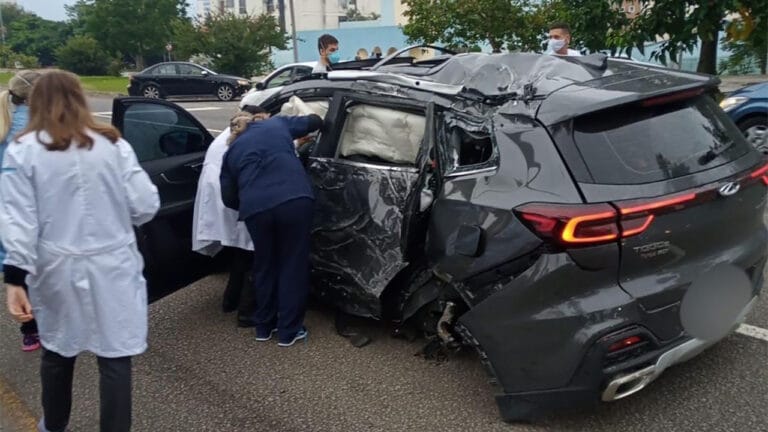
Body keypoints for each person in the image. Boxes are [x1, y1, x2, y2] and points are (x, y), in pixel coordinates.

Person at [2, 70, 159, 432]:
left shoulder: (24, 151)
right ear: (80, 99)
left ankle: (53, 425)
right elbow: (145, 205)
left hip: (56, 267)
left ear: (35, 102)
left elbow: (19, 220)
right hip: (113, 265)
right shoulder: (113, 145)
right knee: (115, 355)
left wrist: (15, 280)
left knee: (58, 350)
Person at [219, 108, 322, 347]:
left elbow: (228, 198)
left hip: (256, 211)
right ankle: (289, 331)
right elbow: (314, 121)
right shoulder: (277, 124)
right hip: (294, 200)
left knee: (265, 266)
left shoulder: (231, 151)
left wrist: (252, 203)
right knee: (292, 265)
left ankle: (263, 327)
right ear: (257, 119)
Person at [192, 99, 268, 326]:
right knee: (254, 253)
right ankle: (247, 313)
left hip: (220, 199)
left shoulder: (229, 133)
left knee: (241, 252)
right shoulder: (244, 139)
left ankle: (230, 300)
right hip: (233, 201)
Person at [0, 69, 42, 352]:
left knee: (18, 266)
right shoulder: (40, 125)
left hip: (7, 211)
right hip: (37, 206)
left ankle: (30, 329)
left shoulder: (5, 119)